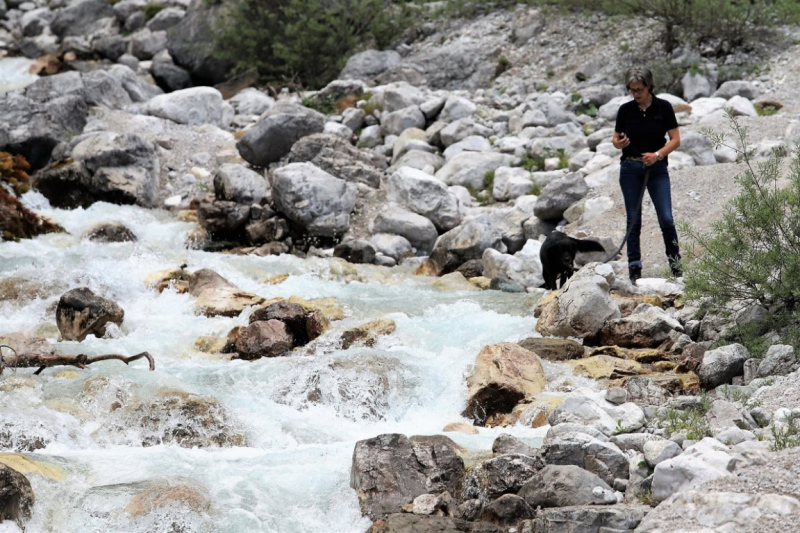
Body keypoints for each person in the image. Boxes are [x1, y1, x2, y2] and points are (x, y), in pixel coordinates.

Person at [612, 65, 681, 284]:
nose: (635, 94)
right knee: (634, 219)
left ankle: (676, 265)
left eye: (639, 89)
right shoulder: (625, 110)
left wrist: (658, 155)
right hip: (630, 168)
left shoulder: (664, 107)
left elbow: (676, 140)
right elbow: (615, 139)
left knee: (666, 218)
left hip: (657, 169)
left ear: (649, 87)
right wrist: (619, 143)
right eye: (632, 90)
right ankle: (634, 268)